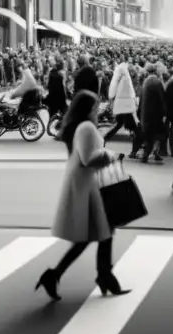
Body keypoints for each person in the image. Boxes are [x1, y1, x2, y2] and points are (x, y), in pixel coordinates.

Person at [36, 90, 128, 301]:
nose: (98, 110)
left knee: (97, 233)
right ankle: (103, 275)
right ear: (88, 109)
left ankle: (61, 275)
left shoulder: (79, 126)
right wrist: (111, 155)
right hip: (88, 184)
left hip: (84, 183)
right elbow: (89, 158)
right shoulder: (86, 127)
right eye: (96, 107)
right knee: (102, 231)